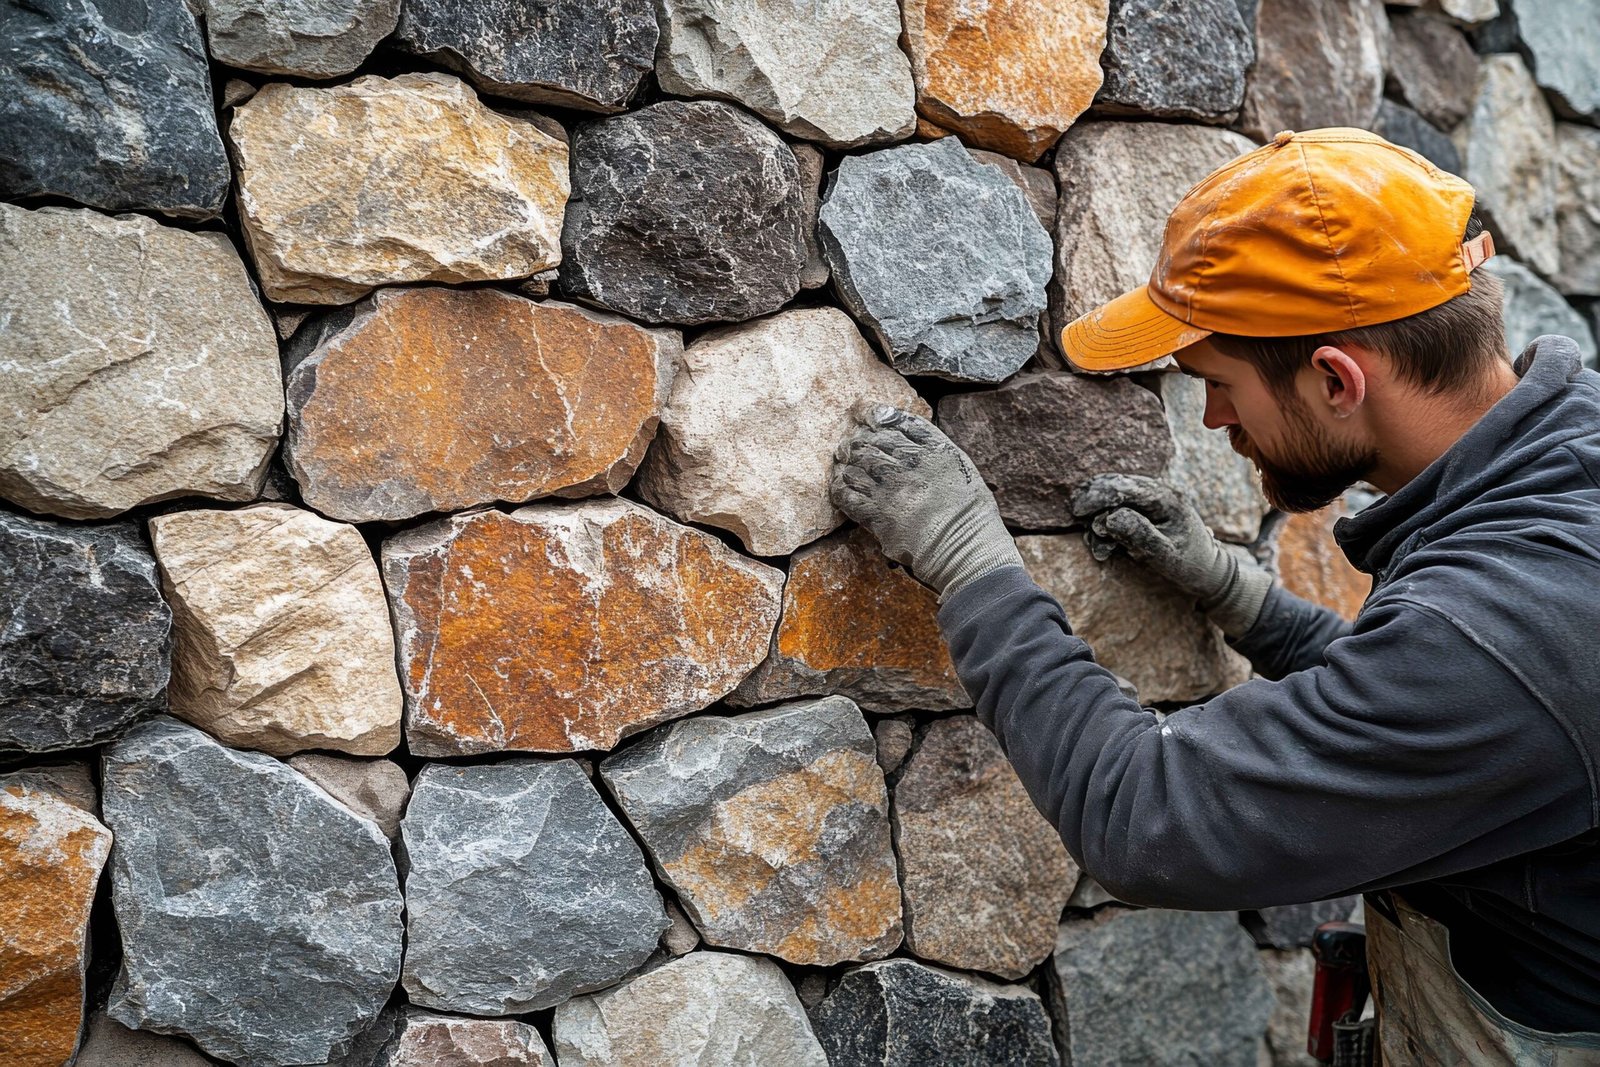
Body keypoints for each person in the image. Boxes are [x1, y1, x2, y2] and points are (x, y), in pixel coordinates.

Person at [830, 128, 1600, 1064]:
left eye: (1219, 383)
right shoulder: (1560, 477)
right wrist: (1244, 600)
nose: (1212, 419)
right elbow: (1450, 713)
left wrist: (970, 563)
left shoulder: (1518, 622)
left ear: (1335, 377)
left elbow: (1150, 816)